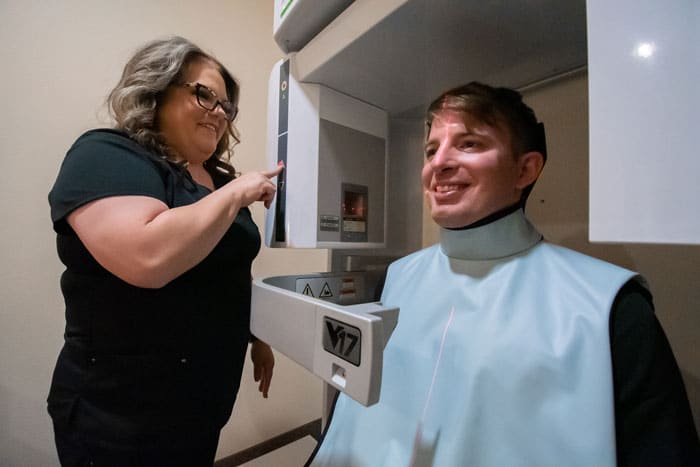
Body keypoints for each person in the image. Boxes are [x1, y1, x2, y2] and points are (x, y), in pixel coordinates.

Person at [307, 82, 700, 466]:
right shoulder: (397, 278)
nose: (438, 164)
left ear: (525, 169)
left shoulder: (612, 310)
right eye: (431, 150)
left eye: (469, 143)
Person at [47, 36, 283, 466]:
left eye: (226, 106)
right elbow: (148, 256)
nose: (219, 113)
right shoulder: (105, 154)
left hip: (200, 408)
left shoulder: (219, 179)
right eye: (205, 95)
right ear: (156, 88)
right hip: (118, 418)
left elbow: (228, 267)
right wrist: (237, 195)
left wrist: (257, 335)